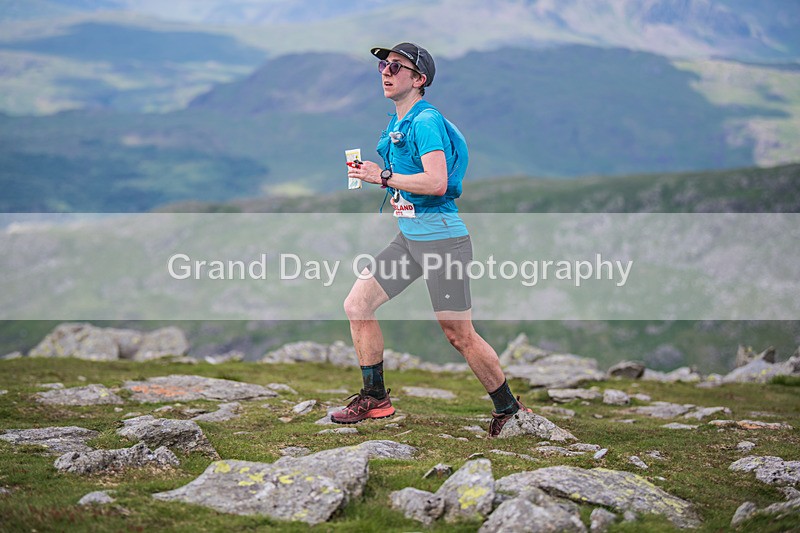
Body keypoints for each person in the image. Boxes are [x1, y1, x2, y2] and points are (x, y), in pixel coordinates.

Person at [331, 42, 530, 436]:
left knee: (459, 334)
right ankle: (375, 398)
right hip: (410, 239)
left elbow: (437, 183)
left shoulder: (424, 122)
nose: (386, 72)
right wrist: (386, 182)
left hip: (443, 243)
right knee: (357, 305)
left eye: (397, 67)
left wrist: (382, 176)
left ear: (419, 79)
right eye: (383, 66)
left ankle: (509, 409)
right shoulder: (400, 122)